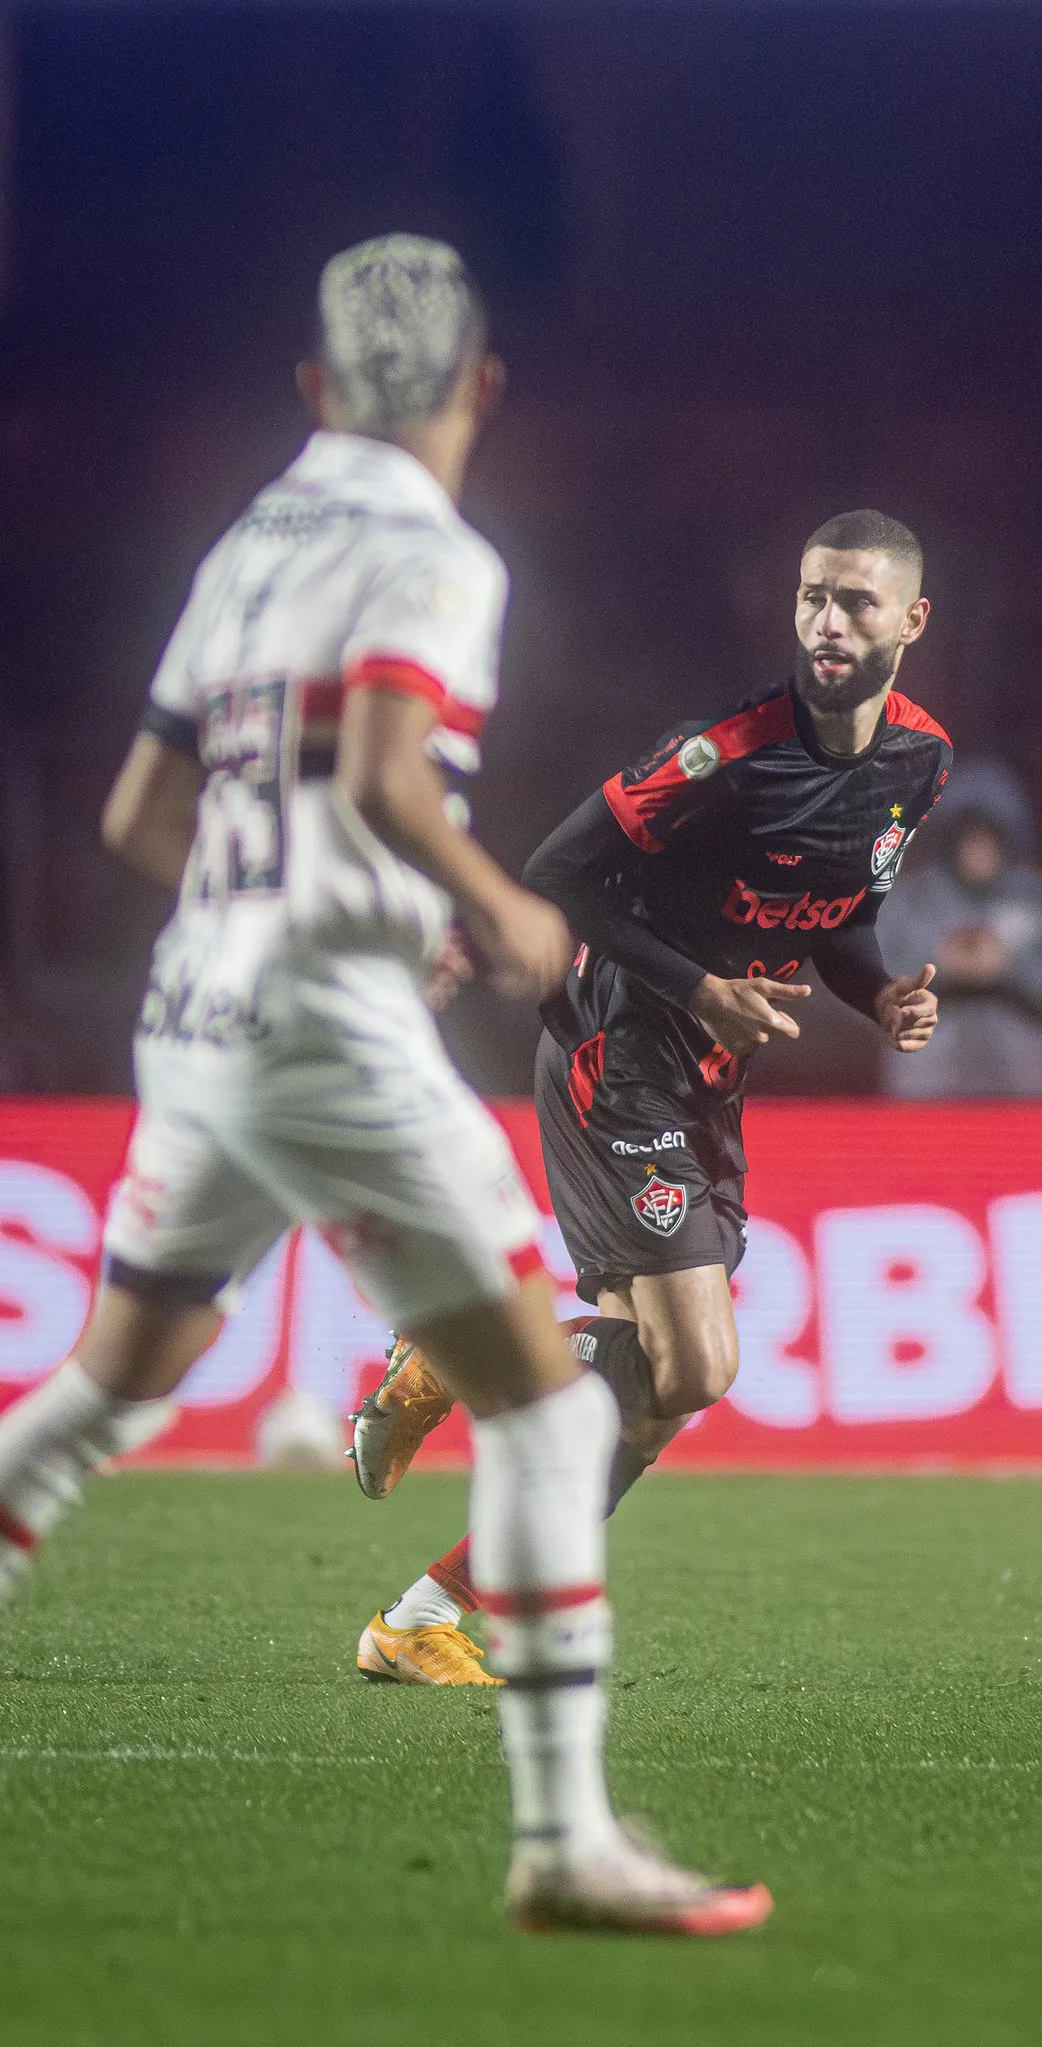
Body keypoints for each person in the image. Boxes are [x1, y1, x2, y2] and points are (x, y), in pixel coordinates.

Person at [0, 235, 769, 1937]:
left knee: (116, 1381)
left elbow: (136, 814)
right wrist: (488, 905)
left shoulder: (243, 545)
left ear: (312, 391)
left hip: (191, 1011)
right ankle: (564, 1840)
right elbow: (391, 767)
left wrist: (269, 896)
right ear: (482, 390)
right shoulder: (435, 553)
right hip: (329, 1031)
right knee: (561, 1407)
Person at [350, 508, 951, 1678]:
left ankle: (423, 1615)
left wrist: (876, 997)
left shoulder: (920, 762)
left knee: (656, 1399)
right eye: (813, 596)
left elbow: (848, 911)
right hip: (617, 1046)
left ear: (911, 621)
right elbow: (560, 876)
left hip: (712, 1073)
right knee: (701, 1365)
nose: (828, 621)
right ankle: (452, 1357)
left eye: (857, 603)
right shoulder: (725, 751)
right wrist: (700, 986)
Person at [874, 758, 1042, 1096]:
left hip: (1034, 1104)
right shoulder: (907, 905)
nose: (980, 847)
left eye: (992, 835)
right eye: (968, 835)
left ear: (1012, 837)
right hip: (930, 1102)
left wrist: (1013, 969)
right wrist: (937, 969)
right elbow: (858, 999)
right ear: (948, 839)